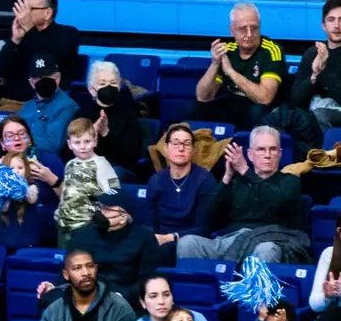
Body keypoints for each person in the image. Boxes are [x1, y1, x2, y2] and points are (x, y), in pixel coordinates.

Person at [181, 129, 306, 264]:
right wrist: (227, 178)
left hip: (267, 241)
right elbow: (209, 220)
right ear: (250, 155)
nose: (267, 155)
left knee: (267, 249)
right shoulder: (237, 182)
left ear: (280, 154)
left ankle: (249, 286)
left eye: (273, 149)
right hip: (231, 242)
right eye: (261, 149)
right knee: (188, 243)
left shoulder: (290, 181)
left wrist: (244, 170)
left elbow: (278, 200)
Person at [195, 2, 282, 129]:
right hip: (231, 105)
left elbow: (265, 98)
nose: (249, 34)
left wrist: (230, 71)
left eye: (254, 28)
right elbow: (202, 96)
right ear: (232, 31)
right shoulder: (228, 50)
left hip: (258, 108)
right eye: (242, 29)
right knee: (196, 108)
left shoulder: (271, 50)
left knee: (257, 111)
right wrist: (215, 64)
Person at [67, 189, 161, 305]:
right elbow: (70, 270)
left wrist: (123, 295)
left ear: (123, 217)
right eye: (99, 207)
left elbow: (147, 280)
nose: (100, 212)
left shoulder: (144, 238)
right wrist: (53, 286)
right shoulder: (82, 235)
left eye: (106, 209)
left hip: (124, 298)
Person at [145, 124, 219, 256]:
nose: (181, 148)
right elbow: (151, 222)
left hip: (191, 242)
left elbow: (204, 227)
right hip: (160, 240)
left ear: (193, 149)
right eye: (175, 143)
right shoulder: (155, 180)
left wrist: (171, 237)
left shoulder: (205, 180)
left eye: (186, 144)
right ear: (166, 148)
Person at [0, 0, 80, 104]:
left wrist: (30, 29)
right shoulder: (22, 35)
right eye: (23, 8)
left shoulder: (68, 34)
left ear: (48, 13)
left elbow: (52, 59)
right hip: (12, 102)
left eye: (30, 9)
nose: (23, 14)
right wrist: (15, 40)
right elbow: (0, 70)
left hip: (49, 104)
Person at [54, 118, 120, 244]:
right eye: (77, 142)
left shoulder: (102, 164)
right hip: (65, 225)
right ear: (69, 144)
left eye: (87, 141)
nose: (83, 147)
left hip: (88, 226)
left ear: (95, 141)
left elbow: (115, 191)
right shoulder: (69, 164)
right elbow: (66, 192)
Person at [76, 61, 144, 175]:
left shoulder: (130, 114)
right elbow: (71, 152)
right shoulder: (81, 115)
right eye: (102, 84)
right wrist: (92, 135)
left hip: (118, 170)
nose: (109, 87)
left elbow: (129, 157)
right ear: (92, 89)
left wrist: (106, 135)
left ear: (118, 86)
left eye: (113, 83)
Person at [292, 0, 341, 131]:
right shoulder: (313, 53)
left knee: (320, 115)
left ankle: (322, 153)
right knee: (280, 115)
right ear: (323, 26)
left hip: (333, 115)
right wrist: (313, 76)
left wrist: (323, 71)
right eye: (331, 20)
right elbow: (296, 99)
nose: (337, 25)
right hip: (311, 112)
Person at [14, 56, 77, 158]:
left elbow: (53, 145)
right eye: (38, 79)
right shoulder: (27, 106)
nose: (43, 82)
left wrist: (20, 139)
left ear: (57, 78)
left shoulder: (67, 106)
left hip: (45, 162)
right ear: (31, 82)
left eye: (47, 78)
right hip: (20, 158)